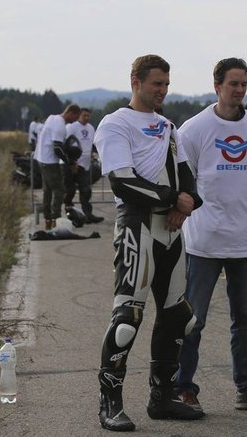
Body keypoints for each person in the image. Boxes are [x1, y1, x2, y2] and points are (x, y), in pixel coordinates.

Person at [93, 54, 205, 432]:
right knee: (127, 319)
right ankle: (110, 403)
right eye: (157, 83)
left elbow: (188, 174)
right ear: (136, 81)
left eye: (167, 85)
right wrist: (174, 199)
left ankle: (163, 398)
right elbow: (123, 182)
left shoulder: (168, 126)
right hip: (137, 228)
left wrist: (187, 202)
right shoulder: (115, 123)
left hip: (172, 231)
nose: (162, 91)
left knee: (178, 317)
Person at [175, 58, 247, 415]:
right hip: (205, 239)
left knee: (246, 321)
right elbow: (183, 180)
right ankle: (183, 388)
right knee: (193, 320)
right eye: (233, 83)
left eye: (243, 84)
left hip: (245, 240)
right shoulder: (194, 129)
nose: (239, 90)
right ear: (217, 85)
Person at [34, 105, 81, 230]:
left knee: (48, 191)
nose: (75, 121)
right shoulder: (60, 125)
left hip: (42, 158)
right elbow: (58, 148)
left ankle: (48, 221)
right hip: (49, 161)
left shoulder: (52, 118)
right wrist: (69, 162)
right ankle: (56, 220)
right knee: (59, 190)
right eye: (75, 117)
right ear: (70, 113)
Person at [64, 107, 101, 222]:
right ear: (79, 115)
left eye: (88, 116)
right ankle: (70, 214)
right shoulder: (72, 127)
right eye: (84, 115)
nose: (86, 118)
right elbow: (66, 143)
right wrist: (70, 161)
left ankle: (88, 214)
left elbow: (93, 143)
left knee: (86, 190)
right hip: (72, 163)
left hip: (85, 164)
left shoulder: (90, 128)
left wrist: (94, 152)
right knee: (70, 190)